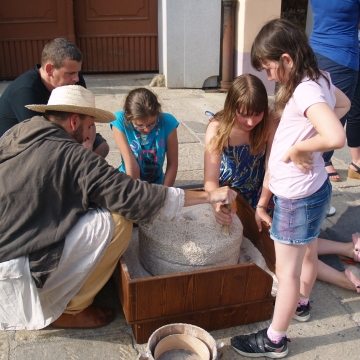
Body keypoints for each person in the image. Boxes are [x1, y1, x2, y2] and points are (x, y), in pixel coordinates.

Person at [0, 85, 237, 331]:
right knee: (118, 220)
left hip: (12, 232)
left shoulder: (22, 130)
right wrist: (208, 196)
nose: (91, 131)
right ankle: (69, 310)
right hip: (12, 265)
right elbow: (133, 195)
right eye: (90, 124)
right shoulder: (74, 156)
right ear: (74, 121)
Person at [230, 19, 350, 358]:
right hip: (312, 190)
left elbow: (337, 136)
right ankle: (301, 304)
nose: (269, 76)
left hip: (297, 197)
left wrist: (300, 149)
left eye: (270, 68)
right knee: (307, 253)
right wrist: (309, 139)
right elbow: (344, 107)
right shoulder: (321, 79)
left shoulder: (306, 89)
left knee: (286, 271)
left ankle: (275, 339)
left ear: (287, 59)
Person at [205, 73, 360, 294]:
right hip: (233, 201)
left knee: (292, 247)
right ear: (232, 108)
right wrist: (217, 205)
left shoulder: (270, 120)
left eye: (256, 114)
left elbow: (271, 168)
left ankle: (346, 258)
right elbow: (210, 181)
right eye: (243, 115)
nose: (250, 122)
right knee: (284, 250)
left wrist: (262, 204)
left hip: (265, 194)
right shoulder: (217, 128)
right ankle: (346, 260)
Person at [0, 37, 109, 158]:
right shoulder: (25, 91)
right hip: (21, 144)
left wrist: (87, 144)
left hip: (64, 131)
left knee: (101, 148)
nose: (76, 78)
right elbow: (39, 137)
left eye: (77, 72)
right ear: (49, 69)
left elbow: (88, 118)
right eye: (70, 73)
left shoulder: (74, 81)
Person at [309, 0, 360, 181]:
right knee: (332, 118)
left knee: (321, 116)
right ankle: (317, 177)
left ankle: (354, 162)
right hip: (342, 57)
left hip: (317, 53)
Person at [110, 88, 178, 186]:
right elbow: (131, 165)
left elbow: (172, 164)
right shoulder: (119, 120)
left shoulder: (168, 122)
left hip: (157, 184)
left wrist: (166, 193)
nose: (147, 129)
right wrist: (140, 196)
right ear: (128, 115)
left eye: (152, 123)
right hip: (129, 183)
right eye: (140, 126)